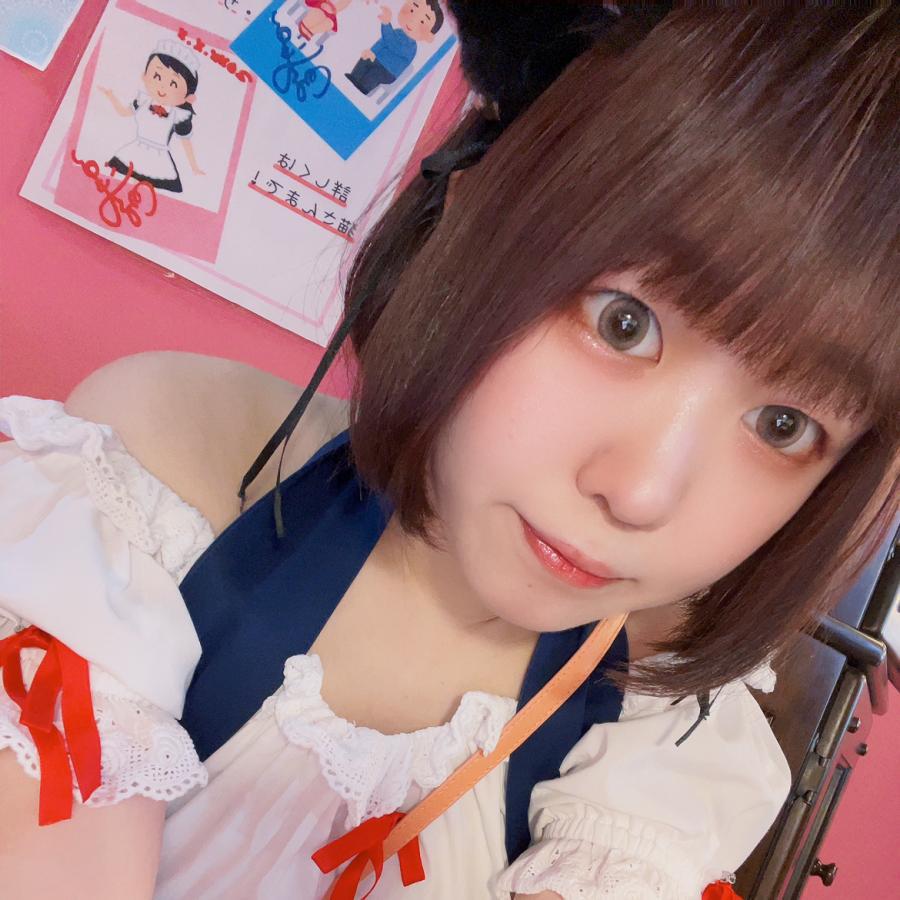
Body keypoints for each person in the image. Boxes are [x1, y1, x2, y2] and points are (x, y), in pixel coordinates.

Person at [2, 6, 898, 899]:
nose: (641, 493)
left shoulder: (661, 737)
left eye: (783, 425)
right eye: (624, 323)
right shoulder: (170, 474)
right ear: (472, 209)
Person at [98, 39, 205, 193]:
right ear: (145, 76)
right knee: (121, 184)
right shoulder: (143, 100)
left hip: (159, 161)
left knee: (148, 193)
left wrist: (194, 167)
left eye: (173, 84)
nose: (162, 86)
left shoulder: (178, 115)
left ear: (188, 97)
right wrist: (111, 96)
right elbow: (124, 112)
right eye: (157, 76)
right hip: (133, 152)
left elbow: (185, 141)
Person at [345, 1, 443, 96]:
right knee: (365, 60)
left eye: (422, 22)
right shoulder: (398, 32)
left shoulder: (411, 46)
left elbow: (392, 43)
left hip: (388, 70)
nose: (412, 20)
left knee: (374, 74)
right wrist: (372, 52)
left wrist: (386, 24)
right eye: (412, 11)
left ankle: (362, 89)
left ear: (429, 37)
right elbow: (382, 42)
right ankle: (353, 77)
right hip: (377, 58)